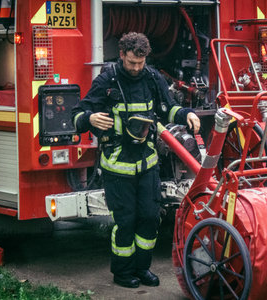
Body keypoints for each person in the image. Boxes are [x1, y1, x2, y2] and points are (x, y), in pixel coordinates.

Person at [72, 32, 200, 288]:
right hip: (117, 168)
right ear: (122, 55)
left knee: (150, 218)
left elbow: (169, 107)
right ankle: (122, 272)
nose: (136, 68)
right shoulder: (108, 80)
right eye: (131, 63)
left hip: (147, 164)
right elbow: (78, 113)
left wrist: (187, 114)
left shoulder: (152, 77)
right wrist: (90, 119)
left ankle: (143, 268)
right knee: (126, 221)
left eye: (140, 63)